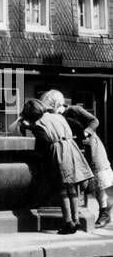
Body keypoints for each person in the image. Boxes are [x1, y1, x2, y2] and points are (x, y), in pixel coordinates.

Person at [40, 90, 113, 229]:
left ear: (56, 103)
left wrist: (86, 132)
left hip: (92, 148)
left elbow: (94, 121)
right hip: (76, 150)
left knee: (98, 182)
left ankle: (104, 212)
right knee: (89, 185)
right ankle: (104, 208)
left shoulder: (74, 110)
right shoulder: (57, 117)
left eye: (50, 106)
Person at [20, 98, 93, 234]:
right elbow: (76, 126)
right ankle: (76, 219)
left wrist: (29, 128)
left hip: (59, 152)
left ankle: (67, 221)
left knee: (62, 188)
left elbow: (44, 142)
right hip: (72, 149)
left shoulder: (38, 123)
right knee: (73, 186)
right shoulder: (58, 116)